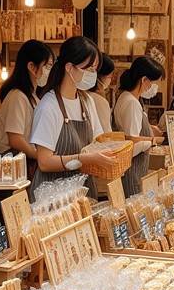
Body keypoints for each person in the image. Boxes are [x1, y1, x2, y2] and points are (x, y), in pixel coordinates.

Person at [30, 36, 115, 199]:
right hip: (52, 197)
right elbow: (44, 162)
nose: (93, 74)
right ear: (69, 67)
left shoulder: (86, 101)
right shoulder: (49, 106)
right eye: (89, 68)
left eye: (95, 69)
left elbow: (97, 141)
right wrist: (84, 159)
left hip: (82, 191)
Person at [113, 56, 165, 196]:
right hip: (132, 171)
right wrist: (151, 142)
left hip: (133, 169)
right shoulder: (131, 103)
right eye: (153, 83)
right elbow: (132, 145)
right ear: (144, 80)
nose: (154, 87)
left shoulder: (127, 97)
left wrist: (149, 128)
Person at [0, 39, 54, 161]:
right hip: (15, 163)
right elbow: (15, 139)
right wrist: (39, 156)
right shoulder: (17, 96)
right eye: (47, 66)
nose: (50, 71)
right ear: (32, 67)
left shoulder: (33, 96)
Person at [89, 54, 115, 133]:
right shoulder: (98, 100)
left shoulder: (85, 95)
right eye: (110, 76)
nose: (111, 79)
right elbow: (106, 133)